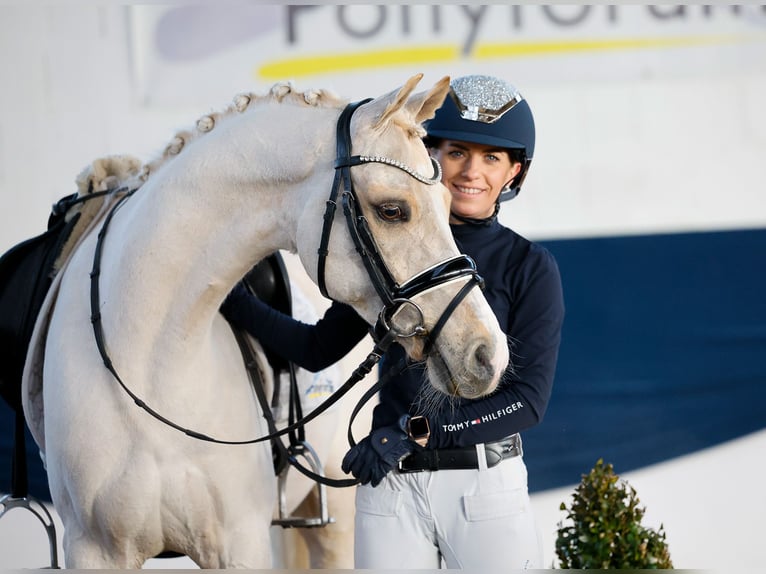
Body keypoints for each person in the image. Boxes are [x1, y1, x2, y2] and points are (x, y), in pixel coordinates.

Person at [220, 74, 565, 569]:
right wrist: (233, 301)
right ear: (431, 156)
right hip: (389, 485)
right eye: (457, 152)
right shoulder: (390, 254)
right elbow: (318, 348)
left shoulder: (530, 268)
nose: (471, 171)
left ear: (513, 172)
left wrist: (415, 430)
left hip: (481, 487)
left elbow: (527, 402)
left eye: (491, 157)